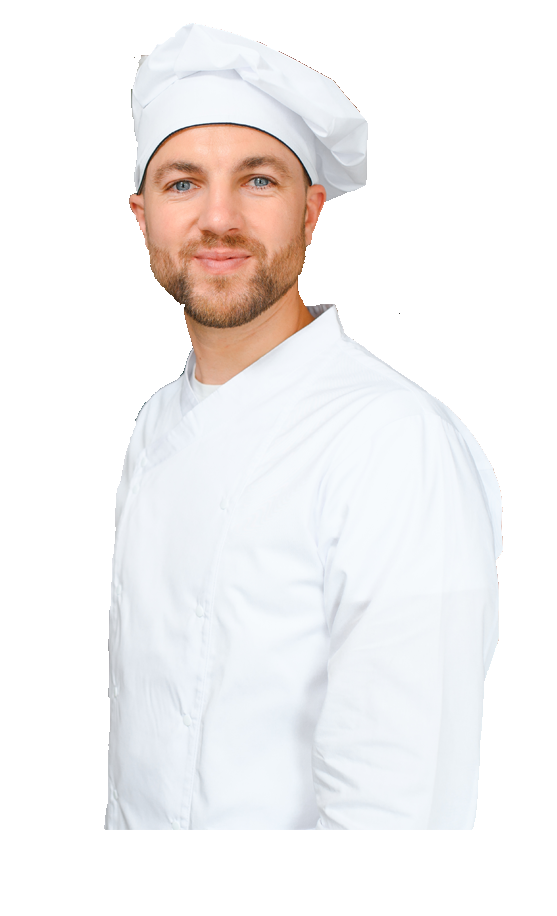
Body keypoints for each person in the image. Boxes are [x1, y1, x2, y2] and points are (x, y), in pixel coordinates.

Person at [111, 24, 502, 832]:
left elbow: (404, 795)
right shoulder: (152, 429)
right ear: (141, 219)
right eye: (183, 185)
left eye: (257, 180)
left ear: (311, 212)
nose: (218, 219)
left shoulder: (388, 441)